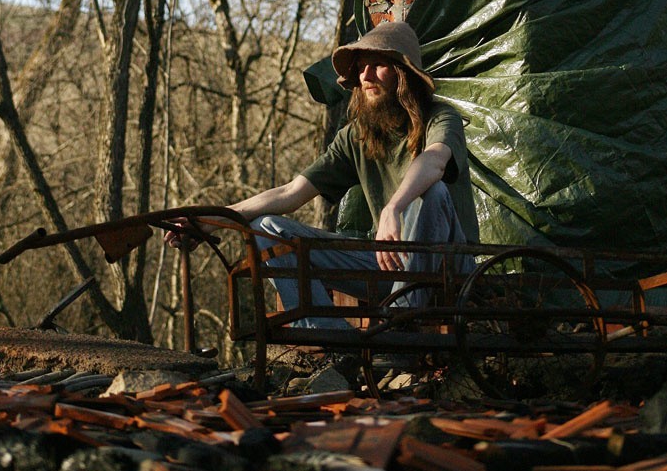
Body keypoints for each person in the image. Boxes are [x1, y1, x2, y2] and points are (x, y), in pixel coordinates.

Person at [182, 21, 478, 329]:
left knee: (433, 191)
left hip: (446, 264)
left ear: (403, 74)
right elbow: (290, 193)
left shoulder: (441, 118)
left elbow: (434, 161)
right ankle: (328, 340)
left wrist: (393, 208)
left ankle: (401, 326)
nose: (365, 76)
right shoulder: (356, 137)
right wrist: (210, 219)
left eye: (378, 65)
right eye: (361, 68)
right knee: (267, 227)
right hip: (387, 265)